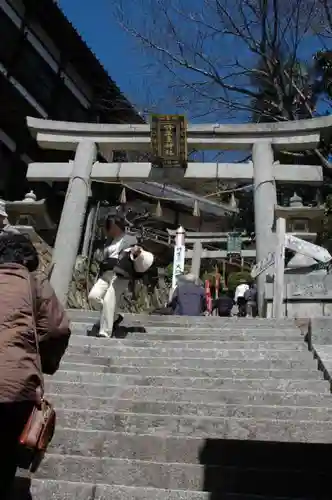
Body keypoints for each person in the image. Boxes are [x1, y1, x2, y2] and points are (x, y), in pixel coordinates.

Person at [0, 233, 71, 498]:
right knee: (6, 452)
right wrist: (42, 359)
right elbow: (56, 329)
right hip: (15, 386)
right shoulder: (35, 282)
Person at [88, 215, 153, 337]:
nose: (112, 229)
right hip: (106, 273)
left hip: (120, 273)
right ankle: (115, 316)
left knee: (109, 300)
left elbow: (136, 250)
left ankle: (105, 331)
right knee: (93, 296)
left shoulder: (130, 238)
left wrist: (136, 251)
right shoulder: (108, 241)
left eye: (113, 226)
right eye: (110, 227)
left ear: (118, 225)